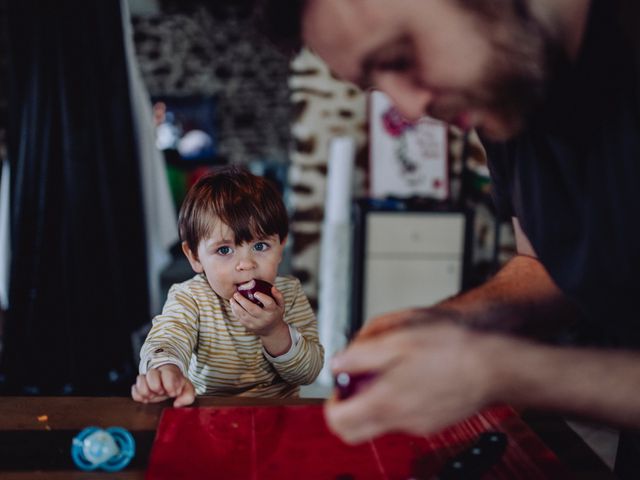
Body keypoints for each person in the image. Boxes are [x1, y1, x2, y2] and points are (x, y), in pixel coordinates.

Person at [255, 0, 640, 465]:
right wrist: (451, 320)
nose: (412, 108)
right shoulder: (510, 99)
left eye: (401, 56)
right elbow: (547, 268)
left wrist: (500, 370)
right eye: (377, 85)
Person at [132, 166, 324, 406]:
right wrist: (166, 369)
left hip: (278, 418)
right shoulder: (190, 298)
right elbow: (168, 338)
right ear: (194, 257)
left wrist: (274, 331)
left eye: (261, 246)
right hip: (209, 417)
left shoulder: (289, 295)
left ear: (281, 246)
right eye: (224, 250)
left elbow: (309, 374)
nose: (246, 264)